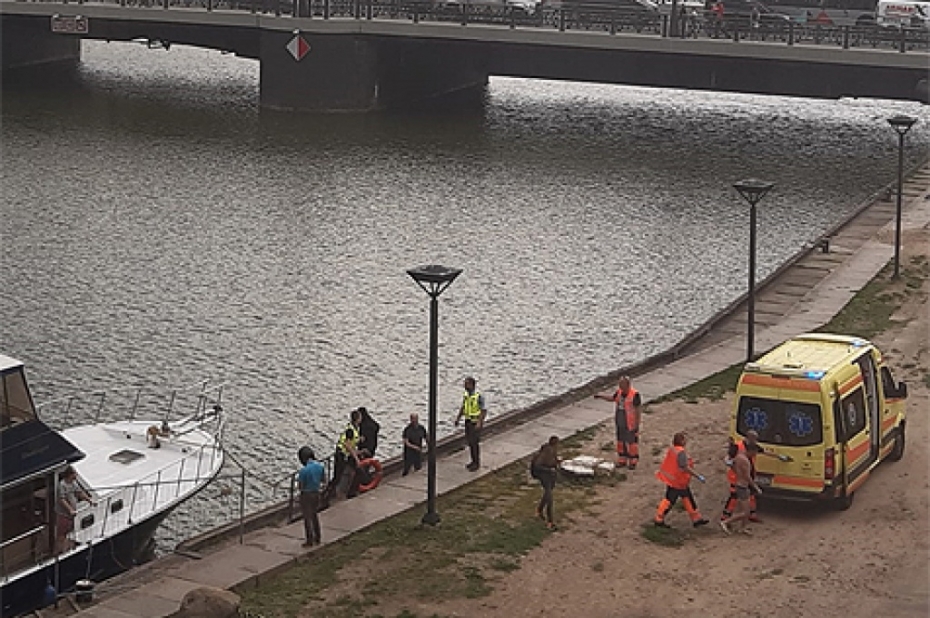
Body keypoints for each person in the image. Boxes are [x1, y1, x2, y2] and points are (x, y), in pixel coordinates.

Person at [654, 433, 709, 529]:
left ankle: (696, 519)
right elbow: (685, 468)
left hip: (674, 480)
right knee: (671, 500)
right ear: (682, 441)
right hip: (678, 482)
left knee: (686, 498)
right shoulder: (681, 453)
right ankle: (659, 519)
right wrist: (698, 476)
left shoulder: (673, 449)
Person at [721, 430, 773, 522]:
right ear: (748, 438)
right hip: (736, 476)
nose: (756, 441)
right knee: (734, 496)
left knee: (751, 495)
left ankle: (751, 514)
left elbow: (764, 451)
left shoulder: (753, 446)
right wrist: (730, 464)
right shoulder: (737, 446)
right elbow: (727, 458)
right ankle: (725, 516)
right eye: (754, 439)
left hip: (748, 474)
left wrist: (779, 456)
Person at [594, 376, 642, 470]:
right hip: (620, 420)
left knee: (631, 441)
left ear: (627, 385)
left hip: (630, 422)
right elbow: (612, 398)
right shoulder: (619, 393)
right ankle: (622, 458)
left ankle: (633, 460)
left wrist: (637, 424)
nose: (620, 387)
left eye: (622, 385)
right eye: (619, 384)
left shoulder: (635, 395)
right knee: (621, 440)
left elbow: (637, 410)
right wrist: (601, 396)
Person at [720, 446, 762, 535]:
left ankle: (743, 528)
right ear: (751, 450)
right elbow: (747, 477)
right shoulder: (745, 461)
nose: (755, 455)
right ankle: (726, 522)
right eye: (755, 452)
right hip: (742, 487)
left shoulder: (739, 457)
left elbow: (729, 462)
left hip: (740, 485)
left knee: (743, 509)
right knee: (745, 512)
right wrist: (755, 487)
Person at [56, 466, 93, 553]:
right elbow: (62, 499)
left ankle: (66, 549)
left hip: (71, 515)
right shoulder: (62, 485)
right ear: (69, 475)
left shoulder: (73, 483)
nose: (76, 475)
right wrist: (70, 510)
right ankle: (58, 552)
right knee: (62, 534)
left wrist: (89, 500)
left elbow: (79, 493)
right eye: (74, 473)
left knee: (69, 532)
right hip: (63, 514)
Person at [455, 376, 487, 472]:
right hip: (468, 422)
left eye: (466, 383)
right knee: (470, 442)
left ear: (472, 385)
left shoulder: (478, 396)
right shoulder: (466, 395)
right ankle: (473, 461)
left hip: (475, 422)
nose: (465, 385)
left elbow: (483, 411)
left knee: (474, 443)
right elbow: (463, 407)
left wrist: (479, 423)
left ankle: (476, 463)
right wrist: (458, 418)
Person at [530, 436, 560, 530]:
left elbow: (553, 460)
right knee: (549, 497)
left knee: (547, 494)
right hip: (543, 476)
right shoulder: (546, 452)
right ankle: (550, 521)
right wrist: (549, 470)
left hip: (549, 476)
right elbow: (537, 465)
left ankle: (539, 511)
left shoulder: (552, 450)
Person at [297, 446, 325, 547]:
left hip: (306, 495)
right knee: (314, 515)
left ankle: (309, 540)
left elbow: (301, 486)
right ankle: (318, 537)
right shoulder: (320, 466)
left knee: (307, 518)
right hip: (316, 493)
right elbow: (323, 480)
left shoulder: (303, 471)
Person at [333, 409, 362, 498]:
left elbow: (352, 443)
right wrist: (356, 458)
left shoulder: (355, 428)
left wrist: (359, 440)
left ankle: (350, 491)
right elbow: (347, 445)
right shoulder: (350, 430)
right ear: (357, 419)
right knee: (338, 476)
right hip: (341, 454)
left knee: (354, 472)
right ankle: (329, 494)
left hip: (347, 454)